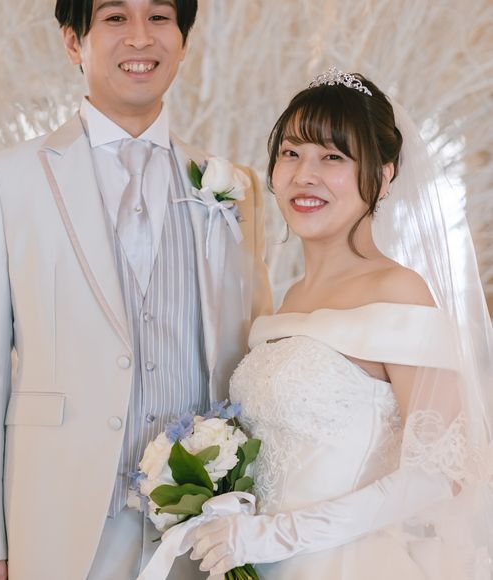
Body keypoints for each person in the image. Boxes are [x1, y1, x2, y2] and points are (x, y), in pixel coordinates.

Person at [0, 1, 272, 578]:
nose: (140, 38)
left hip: (198, 531)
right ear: (74, 41)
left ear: (183, 40)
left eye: (160, 17)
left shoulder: (232, 187)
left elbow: (250, 361)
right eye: (116, 18)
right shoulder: (8, 178)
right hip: (59, 521)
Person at [190, 67, 493, 579]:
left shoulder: (400, 291)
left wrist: (279, 535)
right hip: (259, 563)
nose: (304, 175)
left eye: (332, 157)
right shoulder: (288, 299)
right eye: (291, 153)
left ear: (383, 174)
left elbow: (444, 471)